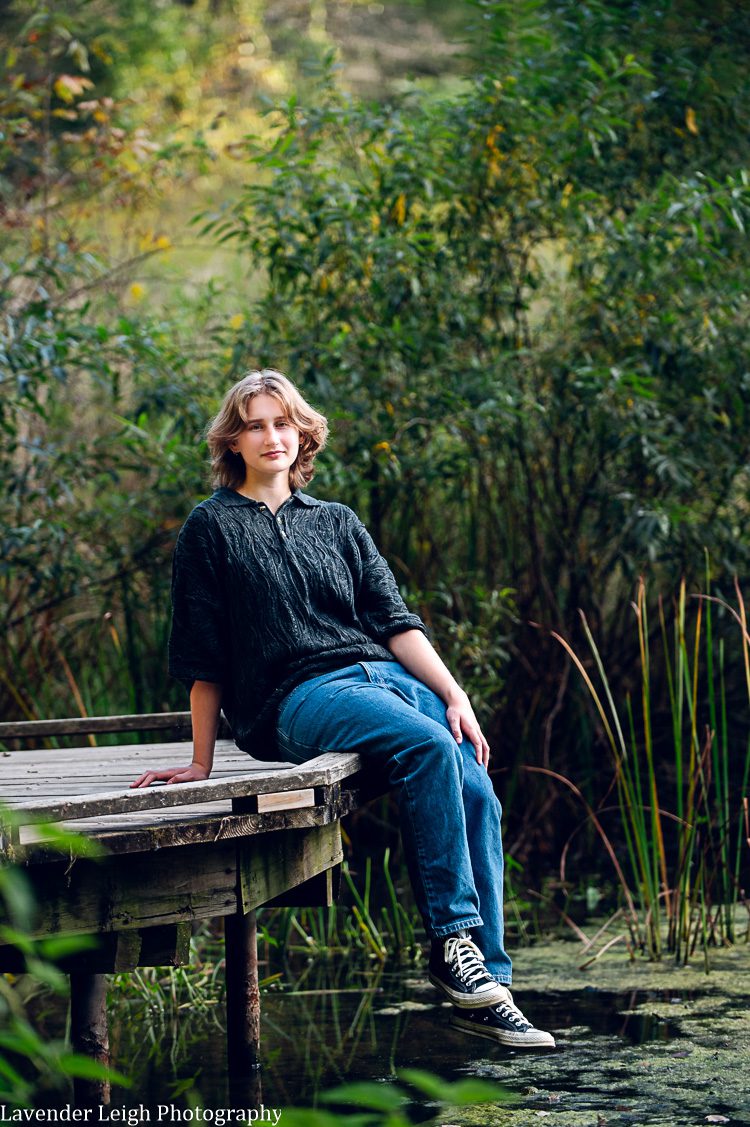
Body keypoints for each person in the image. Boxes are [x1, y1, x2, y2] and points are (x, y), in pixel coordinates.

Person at [131, 369, 554, 1049]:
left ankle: (489, 985)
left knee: (476, 784)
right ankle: (452, 945)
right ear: (232, 440)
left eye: (283, 422)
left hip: (384, 675)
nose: (272, 435)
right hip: (298, 695)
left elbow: (396, 621)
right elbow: (202, 658)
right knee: (427, 747)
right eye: (256, 424)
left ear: (302, 432)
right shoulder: (210, 528)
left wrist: (454, 692)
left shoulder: (336, 521)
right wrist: (200, 761)